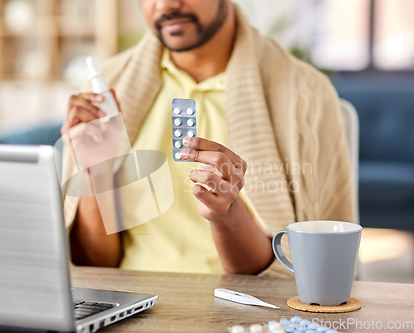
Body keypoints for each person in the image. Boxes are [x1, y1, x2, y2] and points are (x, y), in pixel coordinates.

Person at [61, 0, 356, 277]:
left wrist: (226, 214)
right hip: (134, 305)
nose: (166, 6)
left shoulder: (305, 95)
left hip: (243, 311)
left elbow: (294, 270)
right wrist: (93, 175)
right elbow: (94, 267)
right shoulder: (107, 89)